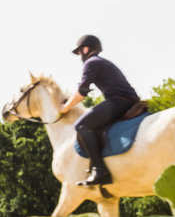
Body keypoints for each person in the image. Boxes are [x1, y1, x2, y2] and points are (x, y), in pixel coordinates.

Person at [58, 34, 139, 186]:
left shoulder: (91, 63)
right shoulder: (101, 62)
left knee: (81, 126)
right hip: (128, 100)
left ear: (86, 49)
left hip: (119, 101)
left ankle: (100, 171)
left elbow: (82, 92)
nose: (80, 56)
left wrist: (65, 107)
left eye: (80, 52)